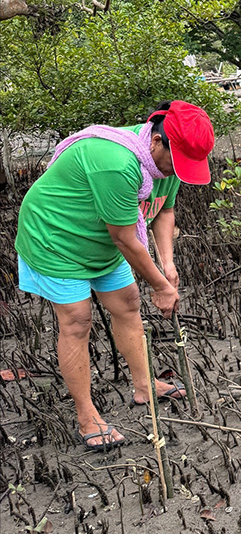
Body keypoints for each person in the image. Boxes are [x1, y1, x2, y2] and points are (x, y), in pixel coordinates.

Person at [15, 101, 215, 451]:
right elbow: (124, 237)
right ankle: (86, 416)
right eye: (177, 162)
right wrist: (160, 286)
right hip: (55, 236)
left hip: (101, 238)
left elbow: (164, 212)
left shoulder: (164, 167)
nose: (177, 172)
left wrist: (166, 263)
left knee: (127, 302)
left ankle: (144, 384)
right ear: (156, 142)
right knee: (77, 319)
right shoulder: (118, 163)